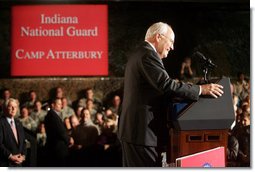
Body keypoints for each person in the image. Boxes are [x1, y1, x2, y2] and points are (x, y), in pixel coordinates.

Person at [117, 22, 224, 167]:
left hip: (136, 132)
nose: (172, 47)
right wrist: (201, 90)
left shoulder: (140, 53)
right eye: (171, 41)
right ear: (159, 37)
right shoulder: (147, 55)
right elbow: (166, 85)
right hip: (141, 133)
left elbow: (157, 88)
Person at [44, 98, 74, 167]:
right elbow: (61, 131)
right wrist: (69, 139)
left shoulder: (50, 115)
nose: (61, 106)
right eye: (59, 104)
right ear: (53, 105)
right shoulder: (53, 116)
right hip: (58, 149)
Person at [0, 98, 26, 166]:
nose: (13, 109)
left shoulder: (18, 123)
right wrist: (10, 156)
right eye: (11, 106)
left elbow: (23, 142)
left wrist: (23, 156)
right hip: (5, 163)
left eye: (15, 107)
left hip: (19, 162)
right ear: (5, 108)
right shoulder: (1, 123)